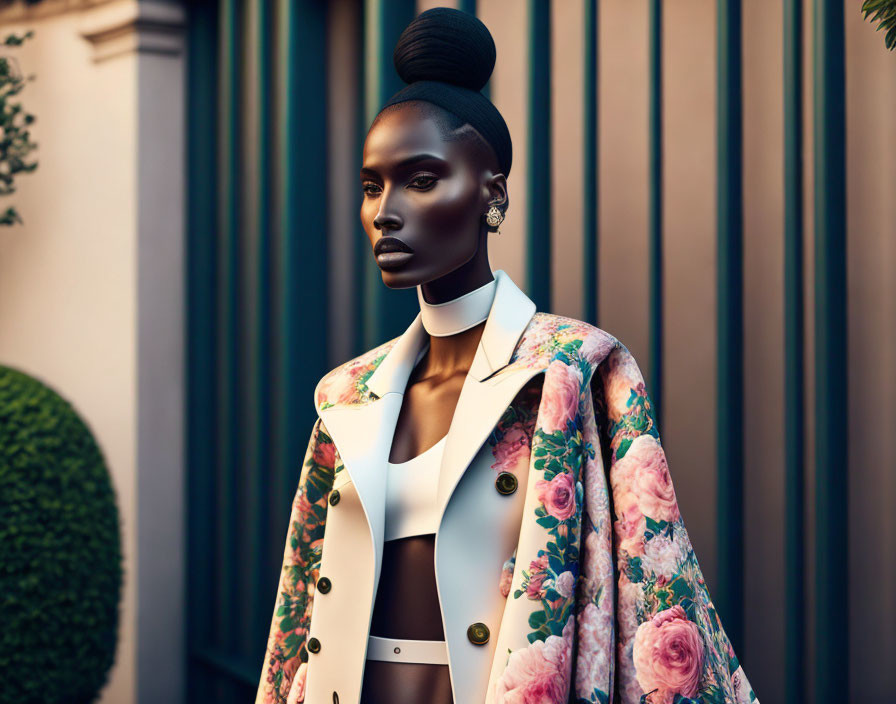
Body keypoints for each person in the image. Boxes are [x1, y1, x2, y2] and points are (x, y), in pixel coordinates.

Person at [256, 8, 758, 704]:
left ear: (492, 193)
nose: (385, 211)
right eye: (373, 186)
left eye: (421, 179)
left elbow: (653, 582)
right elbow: (301, 611)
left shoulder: (574, 370)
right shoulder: (345, 396)